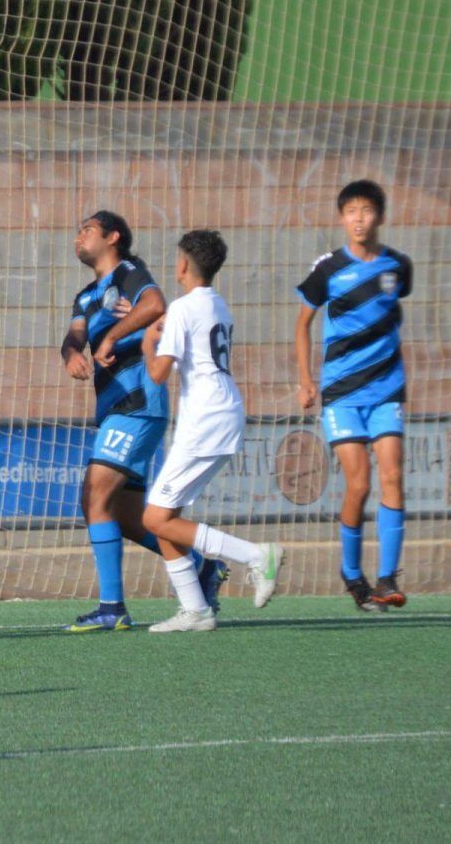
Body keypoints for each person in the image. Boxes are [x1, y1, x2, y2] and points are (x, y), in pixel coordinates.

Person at [59, 211, 223, 633]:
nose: (79, 236)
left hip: (136, 401)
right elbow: (75, 334)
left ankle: (112, 606)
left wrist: (112, 337)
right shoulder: (85, 296)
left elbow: (154, 304)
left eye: (88, 230)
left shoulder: (130, 272)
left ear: (113, 237)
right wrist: (72, 353)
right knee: (130, 517)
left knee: (93, 495)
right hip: (118, 406)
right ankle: (203, 567)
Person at [138, 230, 285, 632]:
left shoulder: (184, 308)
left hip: (205, 419)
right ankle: (195, 609)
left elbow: (157, 374)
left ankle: (256, 555)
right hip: (221, 412)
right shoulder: (219, 305)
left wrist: (149, 343)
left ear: (183, 264)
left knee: (153, 518)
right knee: (167, 516)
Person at [295, 180, 413, 612]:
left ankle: (386, 579)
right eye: (351, 211)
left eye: (367, 211)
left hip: (387, 389)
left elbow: (388, 312)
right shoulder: (328, 269)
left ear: (380, 216)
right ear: (342, 218)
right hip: (342, 393)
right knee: (359, 484)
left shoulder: (397, 267)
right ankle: (350, 571)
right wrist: (307, 381)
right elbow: (302, 324)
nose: (359, 219)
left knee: (394, 477)